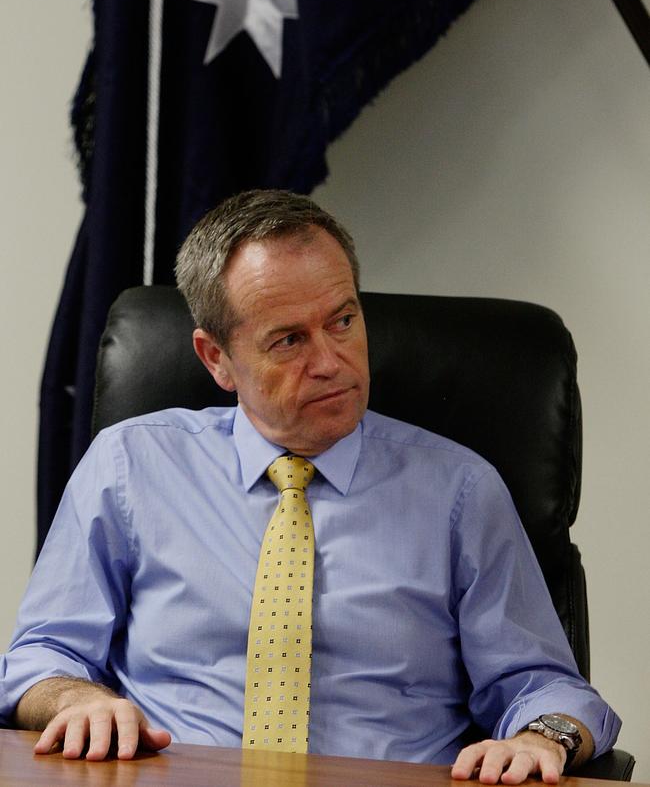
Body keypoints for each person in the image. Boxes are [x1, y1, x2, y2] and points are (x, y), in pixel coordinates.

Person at [0, 190, 620, 782]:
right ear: (216, 357)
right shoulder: (130, 465)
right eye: (290, 339)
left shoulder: (460, 492)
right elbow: (39, 657)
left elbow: (547, 687)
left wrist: (544, 738)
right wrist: (74, 700)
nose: (330, 361)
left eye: (343, 321)